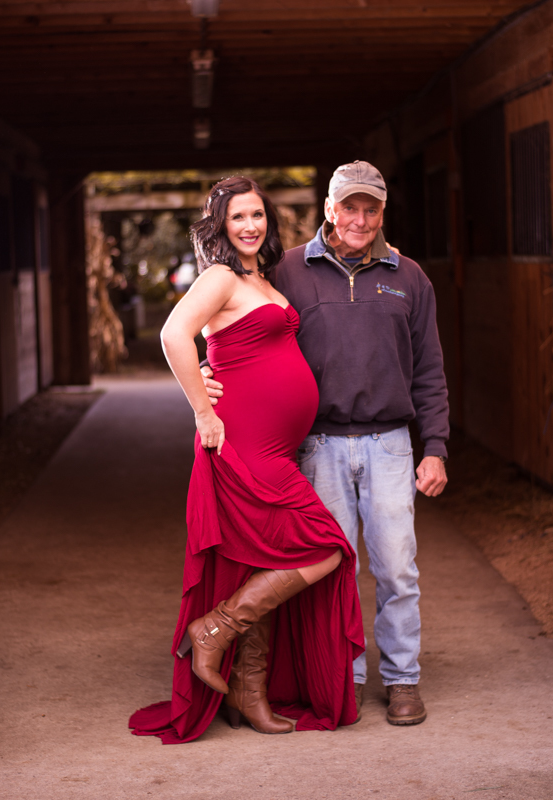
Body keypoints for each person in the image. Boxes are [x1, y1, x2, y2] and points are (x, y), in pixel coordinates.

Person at [203, 161, 449, 726]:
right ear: (329, 210)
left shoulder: (408, 277)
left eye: (372, 208)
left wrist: (433, 445)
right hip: (317, 446)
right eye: (350, 207)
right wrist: (209, 367)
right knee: (328, 567)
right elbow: (242, 320)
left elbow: (430, 370)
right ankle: (344, 677)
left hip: (390, 444)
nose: (360, 219)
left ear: (383, 212)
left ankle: (403, 680)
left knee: (397, 569)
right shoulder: (289, 269)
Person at [129, 177, 364, 744]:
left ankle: (247, 690)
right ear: (220, 225)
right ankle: (213, 630)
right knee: (326, 547)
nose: (250, 226)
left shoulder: (265, 278)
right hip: (241, 442)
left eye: (257, 215)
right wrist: (202, 411)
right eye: (238, 217)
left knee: (264, 556)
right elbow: (173, 334)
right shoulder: (219, 277)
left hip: (277, 445)